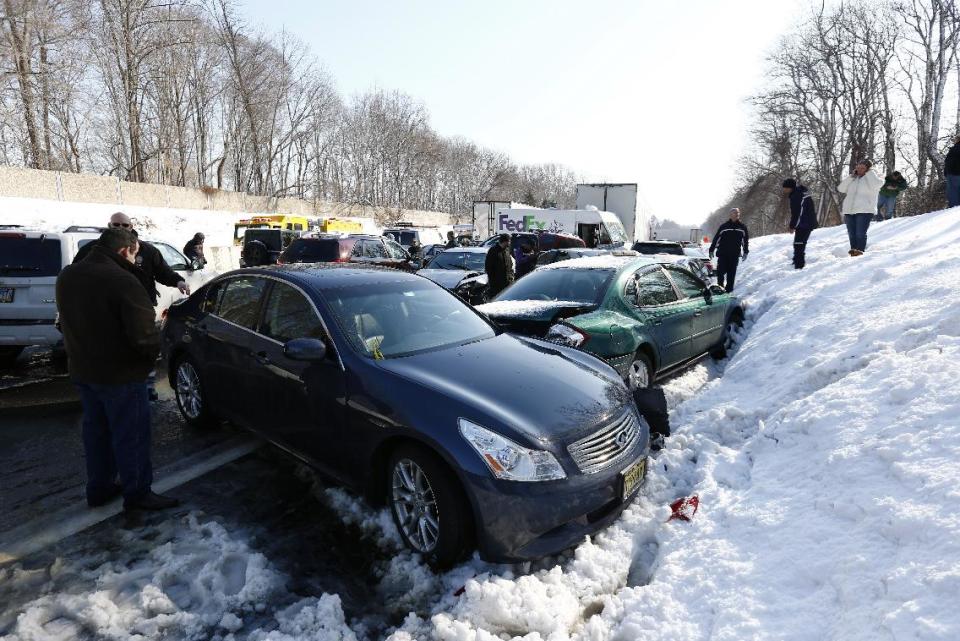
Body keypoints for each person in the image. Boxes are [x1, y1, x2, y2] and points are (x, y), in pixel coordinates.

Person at [56, 228, 180, 512]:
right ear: (126, 250)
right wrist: (153, 355)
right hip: (121, 374)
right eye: (136, 254)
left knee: (96, 433)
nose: (137, 260)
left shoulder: (68, 275)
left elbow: (65, 322)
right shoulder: (123, 280)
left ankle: (99, 488)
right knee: (131, 435)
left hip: (83, 371)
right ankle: (137, 493)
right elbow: (144, 336)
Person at [74, 212, 190, 401]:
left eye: (124, 225)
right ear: (109, 225)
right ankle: (110, 387)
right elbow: (77, 278)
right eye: (116, 225)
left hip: (139, 308)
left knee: (143, 346)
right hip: (104, 312)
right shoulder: (90, 251)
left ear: (131, 227)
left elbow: (164, 272)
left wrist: (178, 281)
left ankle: (147, 386)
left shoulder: (147, 251)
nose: (120, 228)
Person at [838, 160, 883, 256]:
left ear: (868, 169)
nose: (859, 169)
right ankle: (853, 252)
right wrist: (851, 177)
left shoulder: (873, 178)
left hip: (865, 210)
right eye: (858, 167)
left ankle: (859, 252)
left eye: (862, 168)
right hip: (849, 210)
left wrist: (870, 173)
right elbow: (841, 189)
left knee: (860, 233)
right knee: (851, 233)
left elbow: (877, 185)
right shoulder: (853, 179)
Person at [708, 208, 749, 292]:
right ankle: (720, 289)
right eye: (734, 213)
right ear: (730, 215)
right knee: (720, 272)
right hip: (723, 254)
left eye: (738, 213)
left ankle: (729, 291)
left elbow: (745, 241)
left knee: (731, 274)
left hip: (734, 255)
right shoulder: (724, 226)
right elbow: (716, 239)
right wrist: (711, 249)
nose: (737, 214)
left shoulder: (742, 227)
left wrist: (745, 251)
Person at [782, 179, 818, 269]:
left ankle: (799, 265)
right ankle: (796, 262)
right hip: (804, 223)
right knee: (798, 244)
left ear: (790, 187)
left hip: (805, 223)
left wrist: (792, 226)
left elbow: (798, 213)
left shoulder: (797, 196)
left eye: (785, 188)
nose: (784, 190)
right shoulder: (797, 193)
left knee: (799, 244)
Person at [485, 233, 515, 298]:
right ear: (505, 241)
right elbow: (488, 267)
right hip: (496, 286)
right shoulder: (493, 251)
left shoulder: (507, 250)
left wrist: (511, 275)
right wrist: (493, 282)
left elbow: (510, 264)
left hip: (507, 284)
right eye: (509, 241)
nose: (510, 243)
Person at [945, 136, 960, 207]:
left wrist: (947, 172)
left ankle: (954, 212)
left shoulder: (955, 149)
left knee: (953, 195)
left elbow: (949, 162)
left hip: (954, 174)